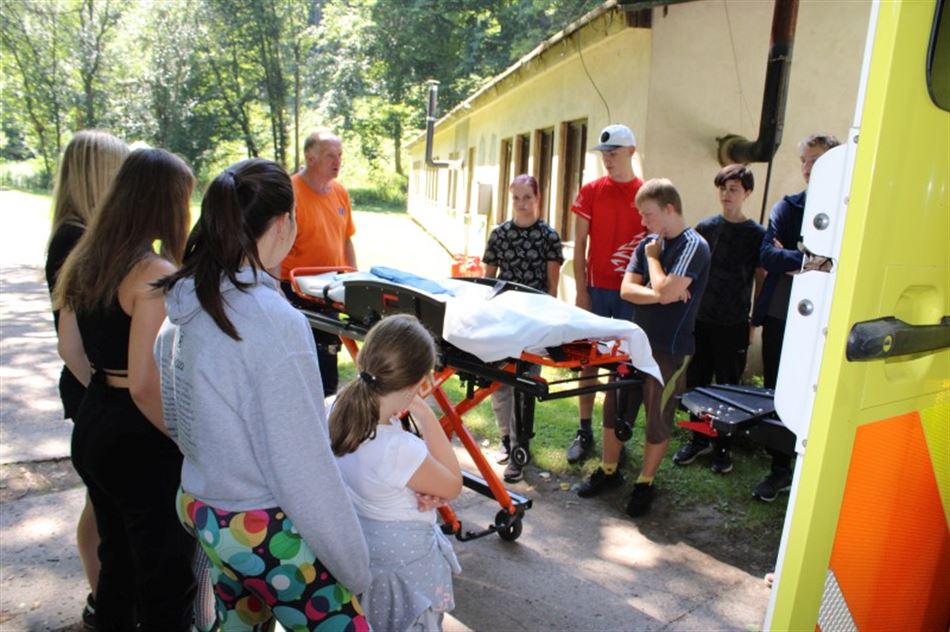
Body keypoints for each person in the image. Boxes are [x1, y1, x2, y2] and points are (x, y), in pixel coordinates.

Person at [154, 158, 372, 630]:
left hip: (203, 509)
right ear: (282, 223)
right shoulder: (271, 322)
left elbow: (175, 416)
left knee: (239, 622)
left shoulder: (187, 303)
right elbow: (303, 467)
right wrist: (354, 567)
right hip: (256, 527)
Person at [53, 148, 197, 631]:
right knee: (164, 576)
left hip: (95, 419)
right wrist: (183, 439)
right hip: (139, 437)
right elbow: (143, 384)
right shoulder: (153, 274)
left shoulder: (86, 258)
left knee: (116, 560)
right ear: (165, 202)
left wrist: (104, 394)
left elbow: (69, 349)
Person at [330, 314, 463, 632]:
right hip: (406, 573)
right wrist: (424, 413)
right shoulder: (397, 448)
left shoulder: (334, 409)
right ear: (417, 384)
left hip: (367, 558)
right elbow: (453, 485)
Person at [44, 129, 128, 628]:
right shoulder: (75, 239)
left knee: (102, 504)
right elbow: (69, 340)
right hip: (91, 386)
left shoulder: (77, 233)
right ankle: (102, 596)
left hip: (92, 388)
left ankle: (105, 595)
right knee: (102, 508)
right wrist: (104, 392)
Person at [593, 178, 710, 518]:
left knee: (658, 415)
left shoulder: (692, 245)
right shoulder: (647, 243)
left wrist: (655, 266)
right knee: (615, 404)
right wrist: (661, 293)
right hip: (634, 342)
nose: (643, 222)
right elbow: (628, 290)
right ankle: (609, 471)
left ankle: (645, 483)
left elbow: (665, 289)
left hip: (669, 348)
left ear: (669, 209)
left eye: (648, 214)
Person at [751, 133, 840, 502]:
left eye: (815, 160)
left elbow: (845, 261)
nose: (806, 168)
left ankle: (815, 468)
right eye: (803, 160)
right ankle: (779, 468)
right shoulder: (788, 207)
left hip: (827, 320)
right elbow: (768, 256)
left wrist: (799, 259)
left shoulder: (848, 209)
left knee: (818, 390)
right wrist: (817, 262)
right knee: (780, 388)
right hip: (780, 315)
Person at [672, 164, 765, 473]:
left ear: (747, 193)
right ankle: (698, 439)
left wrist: (754, 321)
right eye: (723, 188)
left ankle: (723, 446)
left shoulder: (756, 235)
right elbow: (691, 271)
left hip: (735, 322)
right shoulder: (706, 228)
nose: (727, 194)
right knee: (698, 383)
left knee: (728, 386)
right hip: (702, 320)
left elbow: (760, 278)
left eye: (734, 189)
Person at [567, 123, 646, 468]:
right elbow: (579, 246)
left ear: (631, 152)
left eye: (614, 153)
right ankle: (584, 430)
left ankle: (617, 433)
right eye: (604, 154)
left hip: (629, 293)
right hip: (596, 290)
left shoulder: (645, 193)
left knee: (623, 365)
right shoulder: (591, 191)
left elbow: (653, 248)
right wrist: (580, 291)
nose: (608, 160)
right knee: (588, 360)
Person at [482, 174, 564, 482]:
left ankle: (520, 449)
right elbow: (487, 281)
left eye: (527, 197)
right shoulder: (499, 234)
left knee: (525, 384)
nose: (522, 203)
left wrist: (549, 324)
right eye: (516, 197)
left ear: (537, 198)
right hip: (503, 320)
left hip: (533, 322)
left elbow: (552, 287)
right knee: (499, 383)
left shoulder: (549, 236)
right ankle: (506, 438)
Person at [280, 129, 356, 396]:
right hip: (293, 289)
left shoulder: (340, 192)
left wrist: (354, 278)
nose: (337, 161)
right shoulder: (289, 193)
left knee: (328, 355)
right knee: (296, 359)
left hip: (331, 290)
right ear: (310, 159)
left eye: (340, 155)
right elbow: (275, 243)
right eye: (330, 156)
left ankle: (326, 405)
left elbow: (346, 239)